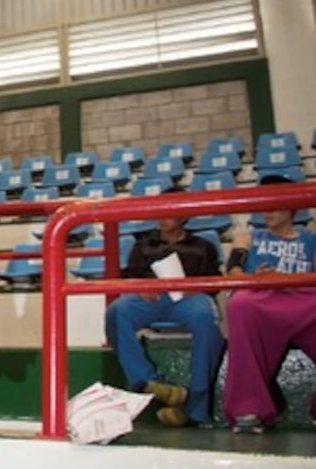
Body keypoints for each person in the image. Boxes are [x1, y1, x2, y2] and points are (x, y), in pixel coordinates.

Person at [104, 187, 224, 427]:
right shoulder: (143, 244)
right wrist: (139, 286)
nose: (162, 216)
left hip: (189, 299)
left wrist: (196, 287)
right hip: (151, 298)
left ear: (184, 216)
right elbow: (129, 277)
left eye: (170, 211)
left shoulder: (203, 246)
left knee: (206, 320)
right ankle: (147, 382)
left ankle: (196, 406)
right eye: (161, 210)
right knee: (117, 311)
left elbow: (214, 283)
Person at [223, 169, 316, 433]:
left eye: (276, 205)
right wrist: (255, 276)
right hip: (261, 298)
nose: (268, 211)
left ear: (292, 209)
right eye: (266, 205)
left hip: (303, 297)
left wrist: (284, 277)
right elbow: (234, 274)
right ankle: (248, 409)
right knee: (240, 304)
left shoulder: (311, 239)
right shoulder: (250, 238)